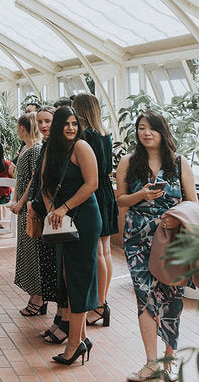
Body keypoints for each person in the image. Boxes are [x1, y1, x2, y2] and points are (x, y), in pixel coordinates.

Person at [115, 111, 197, 382]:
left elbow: (193, 204)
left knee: (173, 300)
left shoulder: (179, 163)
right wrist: (142, 195)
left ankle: (170, 360)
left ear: (163, 132)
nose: (146, 133)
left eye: (152, 128)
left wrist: (174, 216)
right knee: (145, 298)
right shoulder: (128, 162)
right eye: (141, 128)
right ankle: (151, 363)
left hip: (171, 241)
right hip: (138, 242)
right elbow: (121, 200)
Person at [30, 105, 100, 368]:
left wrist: (64, 208)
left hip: (84, 219)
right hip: (60, 221)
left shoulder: (81, 147)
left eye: (74, 123)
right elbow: (44, 184)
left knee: (78, 278)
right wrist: (51, 211)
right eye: (66, 124)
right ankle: (81, 337)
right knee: (68, 278)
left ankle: (74, 345)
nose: (71, 128)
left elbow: (91, 184)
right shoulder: (51, 149)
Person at [72, 92, 118, 328]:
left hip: (93, 192)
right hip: (106, 191)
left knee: (98, 251)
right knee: (106, 250)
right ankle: (103, 301)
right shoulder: (105, 134)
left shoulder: (86, 136)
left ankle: (99, 305)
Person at [10, 110, 52, 318]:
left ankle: (38, 296)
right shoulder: (26, 149)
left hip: (30, 208)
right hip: (24, 206)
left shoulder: (35, 150)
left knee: (33, 250)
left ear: (22, 128)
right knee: (27, 248)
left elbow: (34, 180)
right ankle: (35, 294)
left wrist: (22, 202)